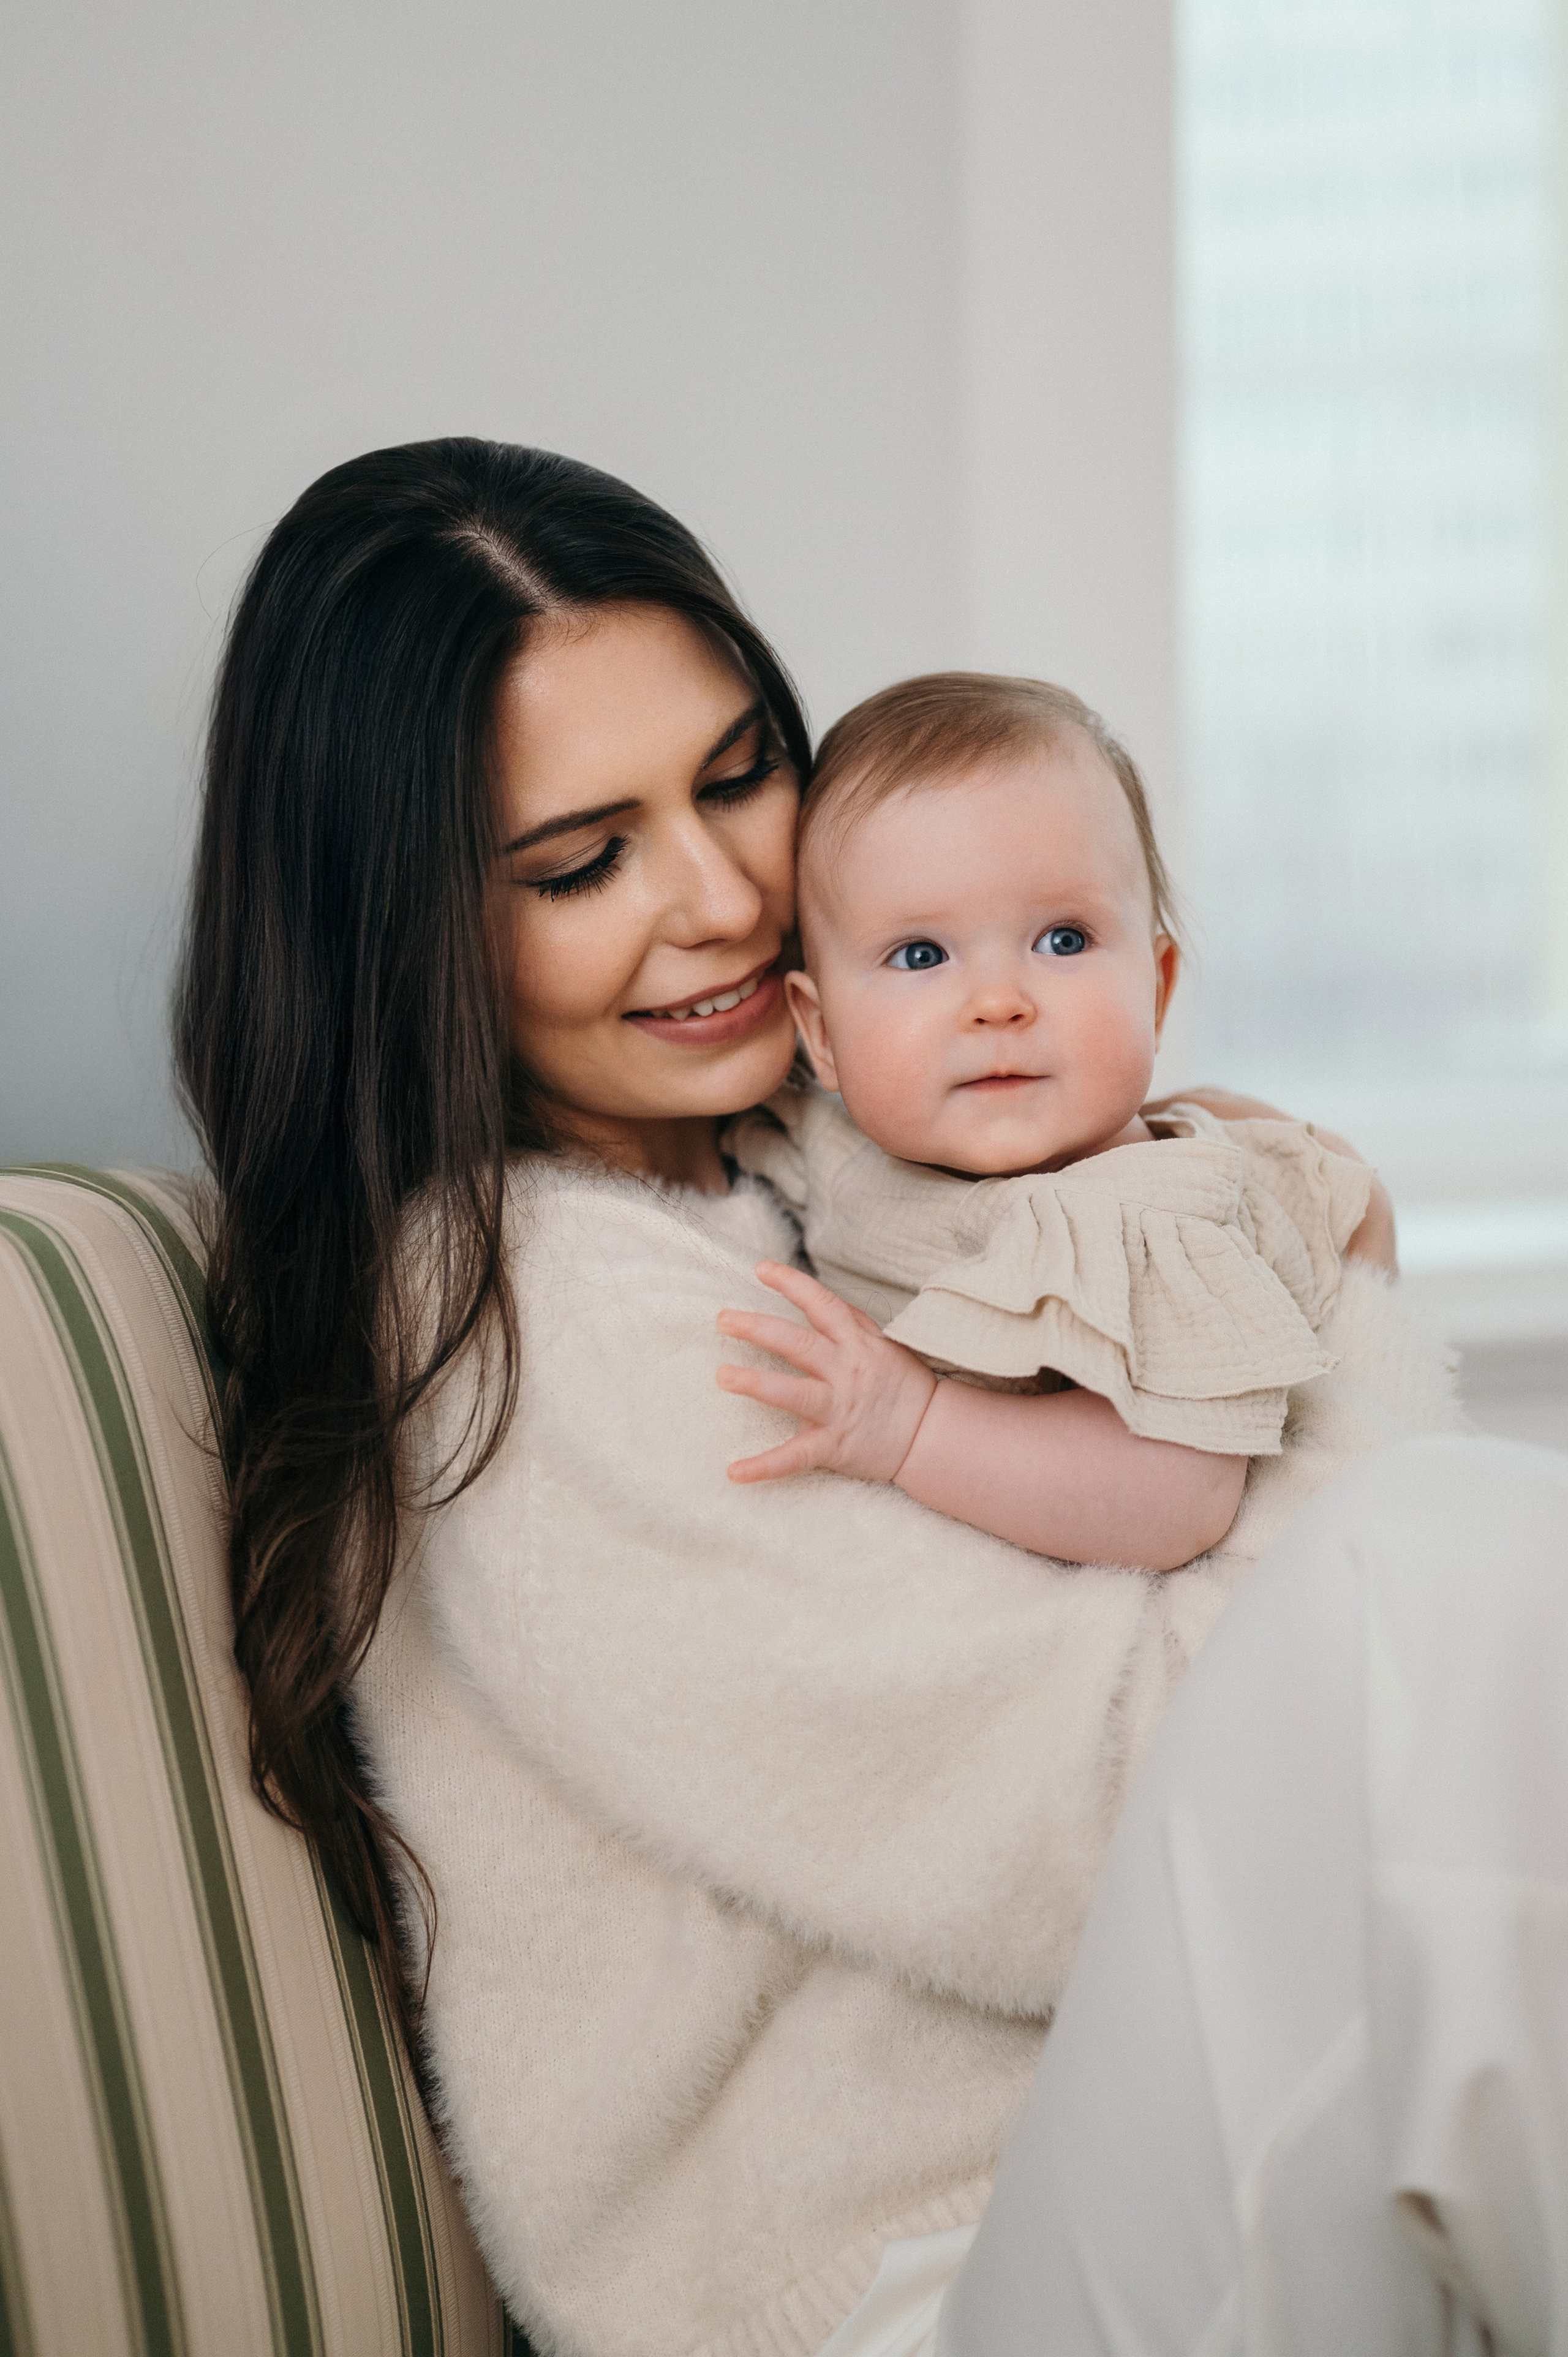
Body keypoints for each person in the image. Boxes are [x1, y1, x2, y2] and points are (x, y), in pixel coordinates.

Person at [174, 437, 1562, 2357]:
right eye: (582, 862)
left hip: (1132, 2164)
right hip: (907, 2288)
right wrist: (1333, 1333)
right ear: (405, 929)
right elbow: (1104, 1834)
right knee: (1446, 1561)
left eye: (743, 774)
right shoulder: (531, 1322)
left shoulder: (842, 1171)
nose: (726, 895)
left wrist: (1248, 1266)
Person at [718, 671, 1449, 1581]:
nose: (998, 1002)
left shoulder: (1145, 1225)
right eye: (921, 954)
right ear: (822, 1034)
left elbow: (1180, 1499)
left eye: (1063, 940)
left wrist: (912, 1426)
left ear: (1157, 990)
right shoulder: (831, 1141)